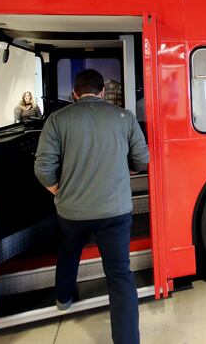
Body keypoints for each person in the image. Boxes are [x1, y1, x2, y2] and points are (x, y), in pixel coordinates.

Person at [34, 69, 148, 344]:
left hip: (72, 211)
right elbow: (142, 161)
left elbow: (43, 167)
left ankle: (63, 299)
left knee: (69, 252)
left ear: (75, 94)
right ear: (102, 93)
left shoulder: (58, 119)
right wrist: (122, 173)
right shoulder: (123, 117)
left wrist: (60, 191)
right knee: (119, 273)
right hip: (115, 211)